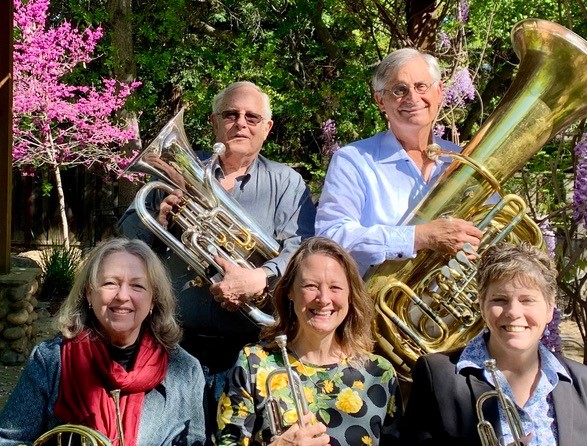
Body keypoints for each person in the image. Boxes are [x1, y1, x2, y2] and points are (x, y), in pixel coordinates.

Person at [117, 81, 316, 411]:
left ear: (266, 128)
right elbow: (126, 243)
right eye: (231, 114)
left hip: (251, 350)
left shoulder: (285, 182)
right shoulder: (175, 172)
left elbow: (303, 247)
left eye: (252, 117)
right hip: (175, 344)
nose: (241, 123)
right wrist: (158, 219)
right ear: (214, 122)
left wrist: (261, 277)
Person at [0, 238, 206, 445]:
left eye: (137, 286)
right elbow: (7, 440)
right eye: (110, 283)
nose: (122, 296)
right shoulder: (49, 360)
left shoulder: (186, 370)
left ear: (153, 300)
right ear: (89, 294)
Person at [400, 242, 587, 446]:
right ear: (482, 306)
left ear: (549, 309)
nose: (513, 312)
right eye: (499, 300)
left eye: (527, 300)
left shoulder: (584, 382)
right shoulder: (438, 376)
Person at [216, 237, 402, 445]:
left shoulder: (380, 373)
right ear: (290, 291)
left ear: (350, 295)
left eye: (335, 287)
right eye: (311, 286)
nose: (323, 299)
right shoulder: (253, 363)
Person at [315, 48, 483, 275]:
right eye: (399, 90)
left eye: (421, 86)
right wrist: (419, 237)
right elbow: (331, 237)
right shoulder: (353, 160)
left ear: (439, 91)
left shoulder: (465, 160)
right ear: (380, 101)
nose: (413, 98)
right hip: (375, 297)